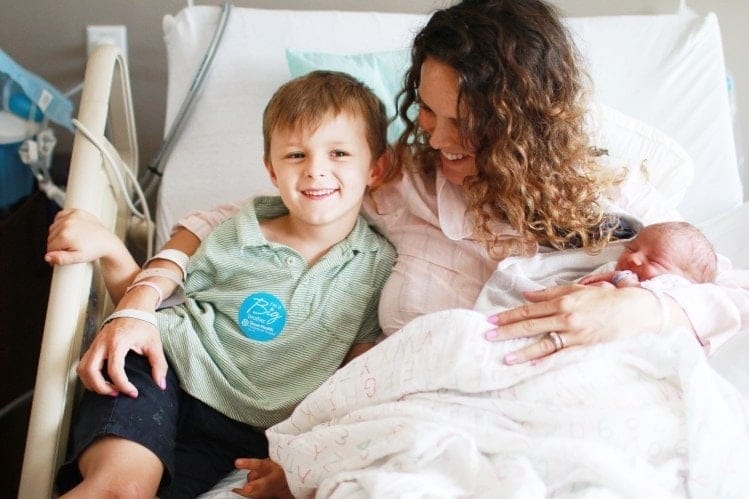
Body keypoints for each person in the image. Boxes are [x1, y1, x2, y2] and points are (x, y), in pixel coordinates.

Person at [49, 0, 749, 497]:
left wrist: (640, 313)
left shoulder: (612, 194)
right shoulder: (401, 181)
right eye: (428, 112)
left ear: (522, 123)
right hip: (419, 420)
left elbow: (725, 286)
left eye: (464, 125)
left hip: (578, 411)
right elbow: (238, 215)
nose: (438, 140)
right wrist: (135, 301)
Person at [50, 70, 396, 498]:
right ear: (271, 169)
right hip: (162, 371)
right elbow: (150, 309)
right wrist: (115, 257)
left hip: (237, 437)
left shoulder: (377, 266)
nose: (315, 171)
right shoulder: (238, 231)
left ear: (377, 168)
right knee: (122, 491)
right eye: (295, 156)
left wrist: (304, 460)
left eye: (339, 153)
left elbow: (352, 382)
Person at [579, 221, 717, 289]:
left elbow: (640, 297)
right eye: (631, 248)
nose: (633, 257)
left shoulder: (676, 289)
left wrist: (619, 278)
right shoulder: (610, 268)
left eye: (653, 260)